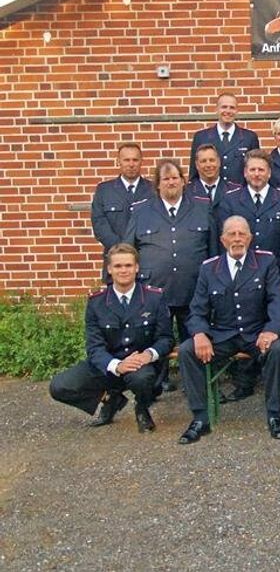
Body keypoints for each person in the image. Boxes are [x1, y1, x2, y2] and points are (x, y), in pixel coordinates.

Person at [177, 216, 280, 443]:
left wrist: (271, 330)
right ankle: (200, 418)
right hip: (222, 334)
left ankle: (275, 415)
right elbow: (197, 308)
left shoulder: (266, 262)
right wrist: (199, 333)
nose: (237, 239)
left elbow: (276, 301)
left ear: (250, 238)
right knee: (187, 350)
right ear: (222, 239)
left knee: (276, 351)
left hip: (256, 333)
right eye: (231, 234)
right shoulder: (209, 268)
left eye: (242, 234)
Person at [49, 243, 173, 433]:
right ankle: (110, 398)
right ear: (109, 269)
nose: (123, 270)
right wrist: (117, 365)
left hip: (140, 365)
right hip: (108, 364)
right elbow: (94, 347)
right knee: (59, 386)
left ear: (137, 267)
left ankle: (142, 408)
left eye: (128, 265)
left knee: (143, 379)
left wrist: (149, 354)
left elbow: (165, 338)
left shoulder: (154, 298)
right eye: (118, 266)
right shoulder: (97, 302)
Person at [123, 159, 217, 344]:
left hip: (192, 290)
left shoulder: (202, 208)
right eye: (165, 179)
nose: (171, 182)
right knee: (153, 347)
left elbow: (213, 250)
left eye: (175, 178)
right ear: (157, 184)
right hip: (154, 291)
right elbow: (128, 251)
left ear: (183, 181)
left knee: (192, 347)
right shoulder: (141, 211)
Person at [216, 149, 280, 276]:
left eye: (261, 170)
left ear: (269, 173)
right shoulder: (230, 200)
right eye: (252, 170)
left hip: (275, 273)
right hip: (241, 273)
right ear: (245, 173)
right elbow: (223, 241)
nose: (256, 174)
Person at [91, 143, 154, 281]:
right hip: (116, 263)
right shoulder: (104, 190)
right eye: (126, 160)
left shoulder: (154, 190)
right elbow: (99, 225)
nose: (131, 164)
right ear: (118, 161)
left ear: (141, 161)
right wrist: (122, 251)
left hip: (147, 263)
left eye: (135, 160)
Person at [189, 92, 260, 185]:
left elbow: (256, 170)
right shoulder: (201, 137)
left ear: (237, 111)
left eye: (232, 107)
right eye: (224, 107)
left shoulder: (249, 138)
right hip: (211, 195)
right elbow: (194, 174)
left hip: (240, 196)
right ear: (216, 109)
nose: (228, 111)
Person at [186, 143, 238, 210]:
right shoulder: (187, 192)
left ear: (219, 162)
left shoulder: (234, 190)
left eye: (212, 160)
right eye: (203, 161)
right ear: (196, 165)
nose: (208, 165)